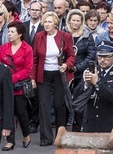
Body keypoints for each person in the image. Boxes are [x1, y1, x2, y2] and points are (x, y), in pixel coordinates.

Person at [31, 12, 75, 146]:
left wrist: (66, 65)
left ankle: (60, 136)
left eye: (49, 22)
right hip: (43, 74)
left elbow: (71, 56)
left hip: (59, 74)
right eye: (45, 22)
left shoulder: (64, 36)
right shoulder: (39, 36)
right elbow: (35, 59)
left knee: (58, 105)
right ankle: (46, 138)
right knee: (44, 105)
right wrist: (32, 78)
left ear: (55, 23)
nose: (47, 24)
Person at [0, 21, 33, 150]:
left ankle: (26, 134)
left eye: (12, 32)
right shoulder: (3, 47)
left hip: (19, 85)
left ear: (20, 34)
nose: (9, 34)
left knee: (21, 112)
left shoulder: (27, 48)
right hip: (6, 86)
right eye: (9, 32)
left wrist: (11, 78)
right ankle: (10, 140)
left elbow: (27, 69)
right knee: (8, 113)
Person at [81, 40, 113, 133]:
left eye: (106, 57)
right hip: (91, 124)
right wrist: (86, 85)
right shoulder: (92, 71)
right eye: (99, 57)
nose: (102, 60)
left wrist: (97, 83)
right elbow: (77, 98)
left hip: (111, 125)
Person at [66, 9, 96, 132]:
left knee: (79, 102)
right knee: (64, 101)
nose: (76, 23)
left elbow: (91, 55)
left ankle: (77, 127)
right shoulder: (63, 34)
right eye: (73, 20)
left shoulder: (87, 35)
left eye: (78, 20)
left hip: (80, 73)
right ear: (69, 21)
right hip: (66, 72)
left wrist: (78, 67)